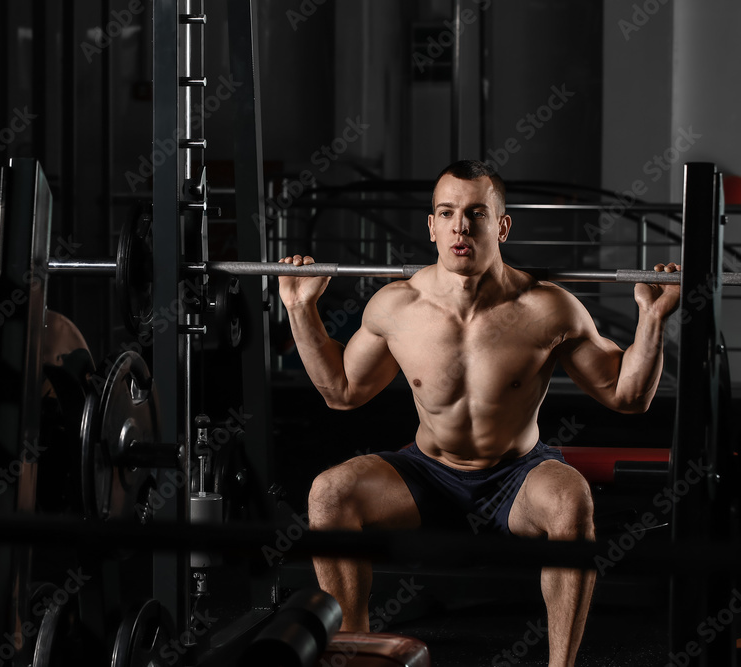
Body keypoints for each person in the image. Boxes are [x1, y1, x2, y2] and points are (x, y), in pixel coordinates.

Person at [277, 160, 680, 667]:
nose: (460, 227)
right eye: (446, 213)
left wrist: (652, 318)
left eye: (475, 213)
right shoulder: (396, 306)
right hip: (426, 472)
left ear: (502, 225)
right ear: (432, 226)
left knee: (571, 499)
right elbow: (341, 391)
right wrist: (299, 309)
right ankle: (359, 652)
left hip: (517, 475)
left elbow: (628, 397)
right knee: (329, 492)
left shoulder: (548, 308)